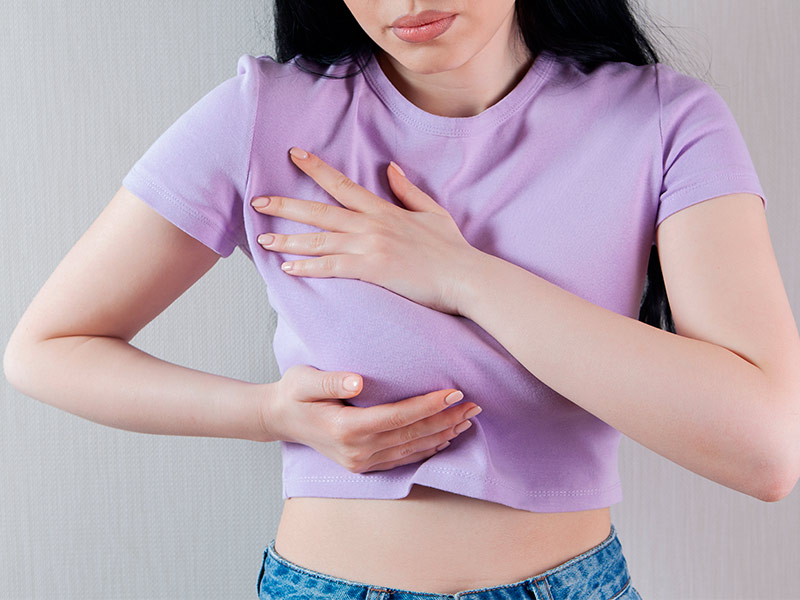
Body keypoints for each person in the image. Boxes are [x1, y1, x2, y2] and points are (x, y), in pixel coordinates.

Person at [4, 0, 799, 599]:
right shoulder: (264, 113)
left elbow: (763, 452)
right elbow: (47, 349)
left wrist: (461, 275)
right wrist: (272, 415)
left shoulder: (664, 120)